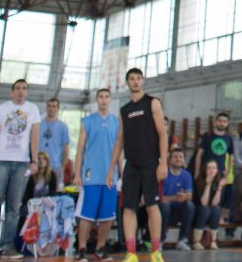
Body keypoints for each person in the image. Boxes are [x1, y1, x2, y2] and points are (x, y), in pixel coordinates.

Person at [0, 79, 41, 261]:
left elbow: (34, 138)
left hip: (21, 163)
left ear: (27, 92)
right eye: (18, 88)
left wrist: (34, 160)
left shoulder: (33, 110)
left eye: (24, 88)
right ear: (12, 92)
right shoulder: (2, 109)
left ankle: (7, 246)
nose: (21, 91)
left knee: (14, 208)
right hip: (1, 161)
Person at [109, 68, 169, 262]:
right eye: (131, 79)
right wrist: (111, 169)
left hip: (151, 163)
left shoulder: (152, 103)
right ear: (127, 83)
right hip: (131, 165)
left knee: (152, 207)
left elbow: (162, 134)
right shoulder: (124, 110)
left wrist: (163, 163)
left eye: (138, 79)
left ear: (143, 81)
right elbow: (119, 140)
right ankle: (131, 252)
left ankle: (156, 251)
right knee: (128, 208)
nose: (135, 82)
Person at [74, 88, 120, 261]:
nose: (103, 100)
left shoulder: (116, 122)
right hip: (91, 175)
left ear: (110, 100)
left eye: (106, 97)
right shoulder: (87, 121)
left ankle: (101, 248)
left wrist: (122, 173)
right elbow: (79, 150)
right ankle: (81, 248)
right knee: (86, 215)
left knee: (107, 216)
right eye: (100, 97)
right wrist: (77, 173)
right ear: (96, 99)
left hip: (110, 176)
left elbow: (119, 150)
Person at [159, 148, 195, 250]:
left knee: (190, 205)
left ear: (184, 160)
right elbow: (159, 197)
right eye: (175, 157)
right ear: (169, 160)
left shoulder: (186, 175)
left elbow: (190, 195)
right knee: (165, 205)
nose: (178, 159)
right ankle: (160, 240)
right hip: (164, 211)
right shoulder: (163, 174)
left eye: (181, 157)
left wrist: (184, 197)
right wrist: (175, 198)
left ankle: (182, 240)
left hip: (178, 212)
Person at [193, 113, 234, 189]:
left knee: (218, 197)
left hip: (220, 173)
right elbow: (199, 155)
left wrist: (227, 172)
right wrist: (197, 172)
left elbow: (231, 156)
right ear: (215, 122)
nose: (222, 123)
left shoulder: (229, 138)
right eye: (220, 121)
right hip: (205, 172)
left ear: (227, 124)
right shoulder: (207, 136)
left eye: (224, 121)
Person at [191, 160, 224, 249]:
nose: (211, 170)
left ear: (217, 170)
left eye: (214, 168)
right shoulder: (199, 181)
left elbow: (214, 203)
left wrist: (220, 187)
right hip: (198, 211)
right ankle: (196, 241)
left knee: (216, 209)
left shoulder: (218, 181)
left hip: (211, 211)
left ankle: (213, 241)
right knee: (205, 209)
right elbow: (203, 203)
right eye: (209, 168)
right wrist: (208, 184)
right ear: (204, 170)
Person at [39, 99, 71, 188]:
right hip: (40, 165)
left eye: (54, 106)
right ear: (46, 108)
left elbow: (66, 148)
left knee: (55, 193)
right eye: (49, 106)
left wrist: (63, 167)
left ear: (57, 109)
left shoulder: (63, 127)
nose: (51, 108)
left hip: (56, 166)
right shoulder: (38, 124)